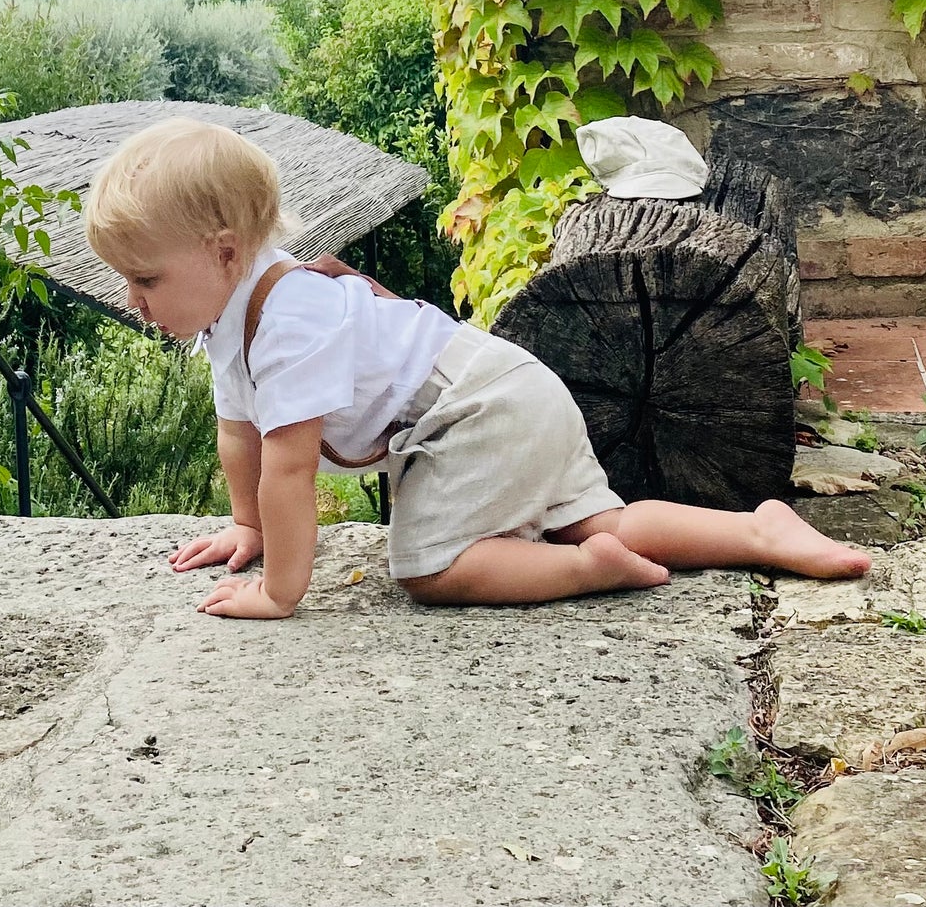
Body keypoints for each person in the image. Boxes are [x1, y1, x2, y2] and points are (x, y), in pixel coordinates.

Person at [84, 117, 871, 621]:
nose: (133, 301)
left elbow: (289, 470)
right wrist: (245, 529)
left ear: (224, 252)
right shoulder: (234, 313)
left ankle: (582, 572)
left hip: (477, 412)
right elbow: (238, 437)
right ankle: (755, 530)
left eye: (145, 279)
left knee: (428, 569)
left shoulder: (288, 321)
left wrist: (279, 590)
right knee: (598, 511)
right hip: (507, 387)